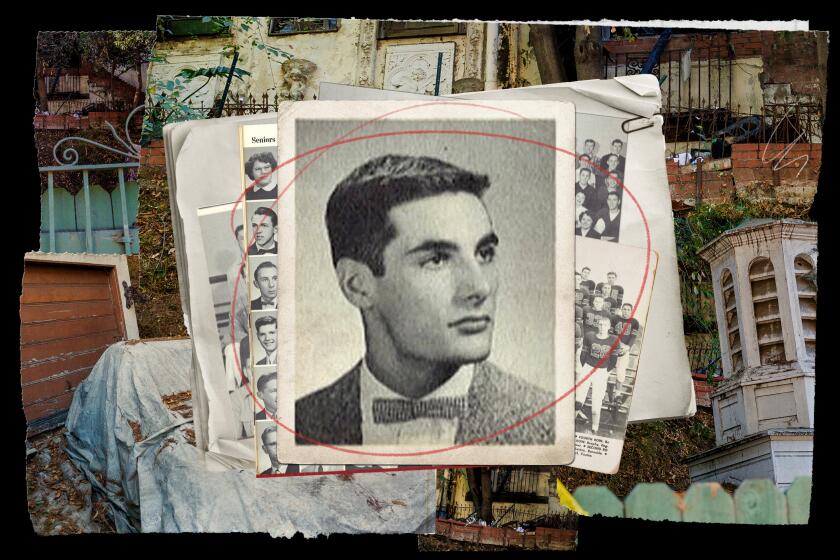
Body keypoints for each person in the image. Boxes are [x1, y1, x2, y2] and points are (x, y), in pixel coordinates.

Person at [294, 154, 555, 446]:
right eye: (437, 259)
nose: (480, 287)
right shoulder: (297, 428)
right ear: (357, 286)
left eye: (484, 254)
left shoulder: (549, 425)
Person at [575, 315, 618, 435]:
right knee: (578, 401)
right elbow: (583, 354)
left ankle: (595, 428)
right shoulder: (590, 335)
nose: (602, 327)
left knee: (596, 404)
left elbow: (613, 360)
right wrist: (584, 368)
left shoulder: (614, 339)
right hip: (588, 367)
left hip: (601, 371)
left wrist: (605, 371)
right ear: (597, 325)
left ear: (609, 326)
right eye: (600, 324)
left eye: (605, 325)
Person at [226, 224, 250, 343]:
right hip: (247, 319)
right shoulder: (232, 272)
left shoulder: (268, 260)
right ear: (237, 242)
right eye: (242, 238)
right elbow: (236, 305)